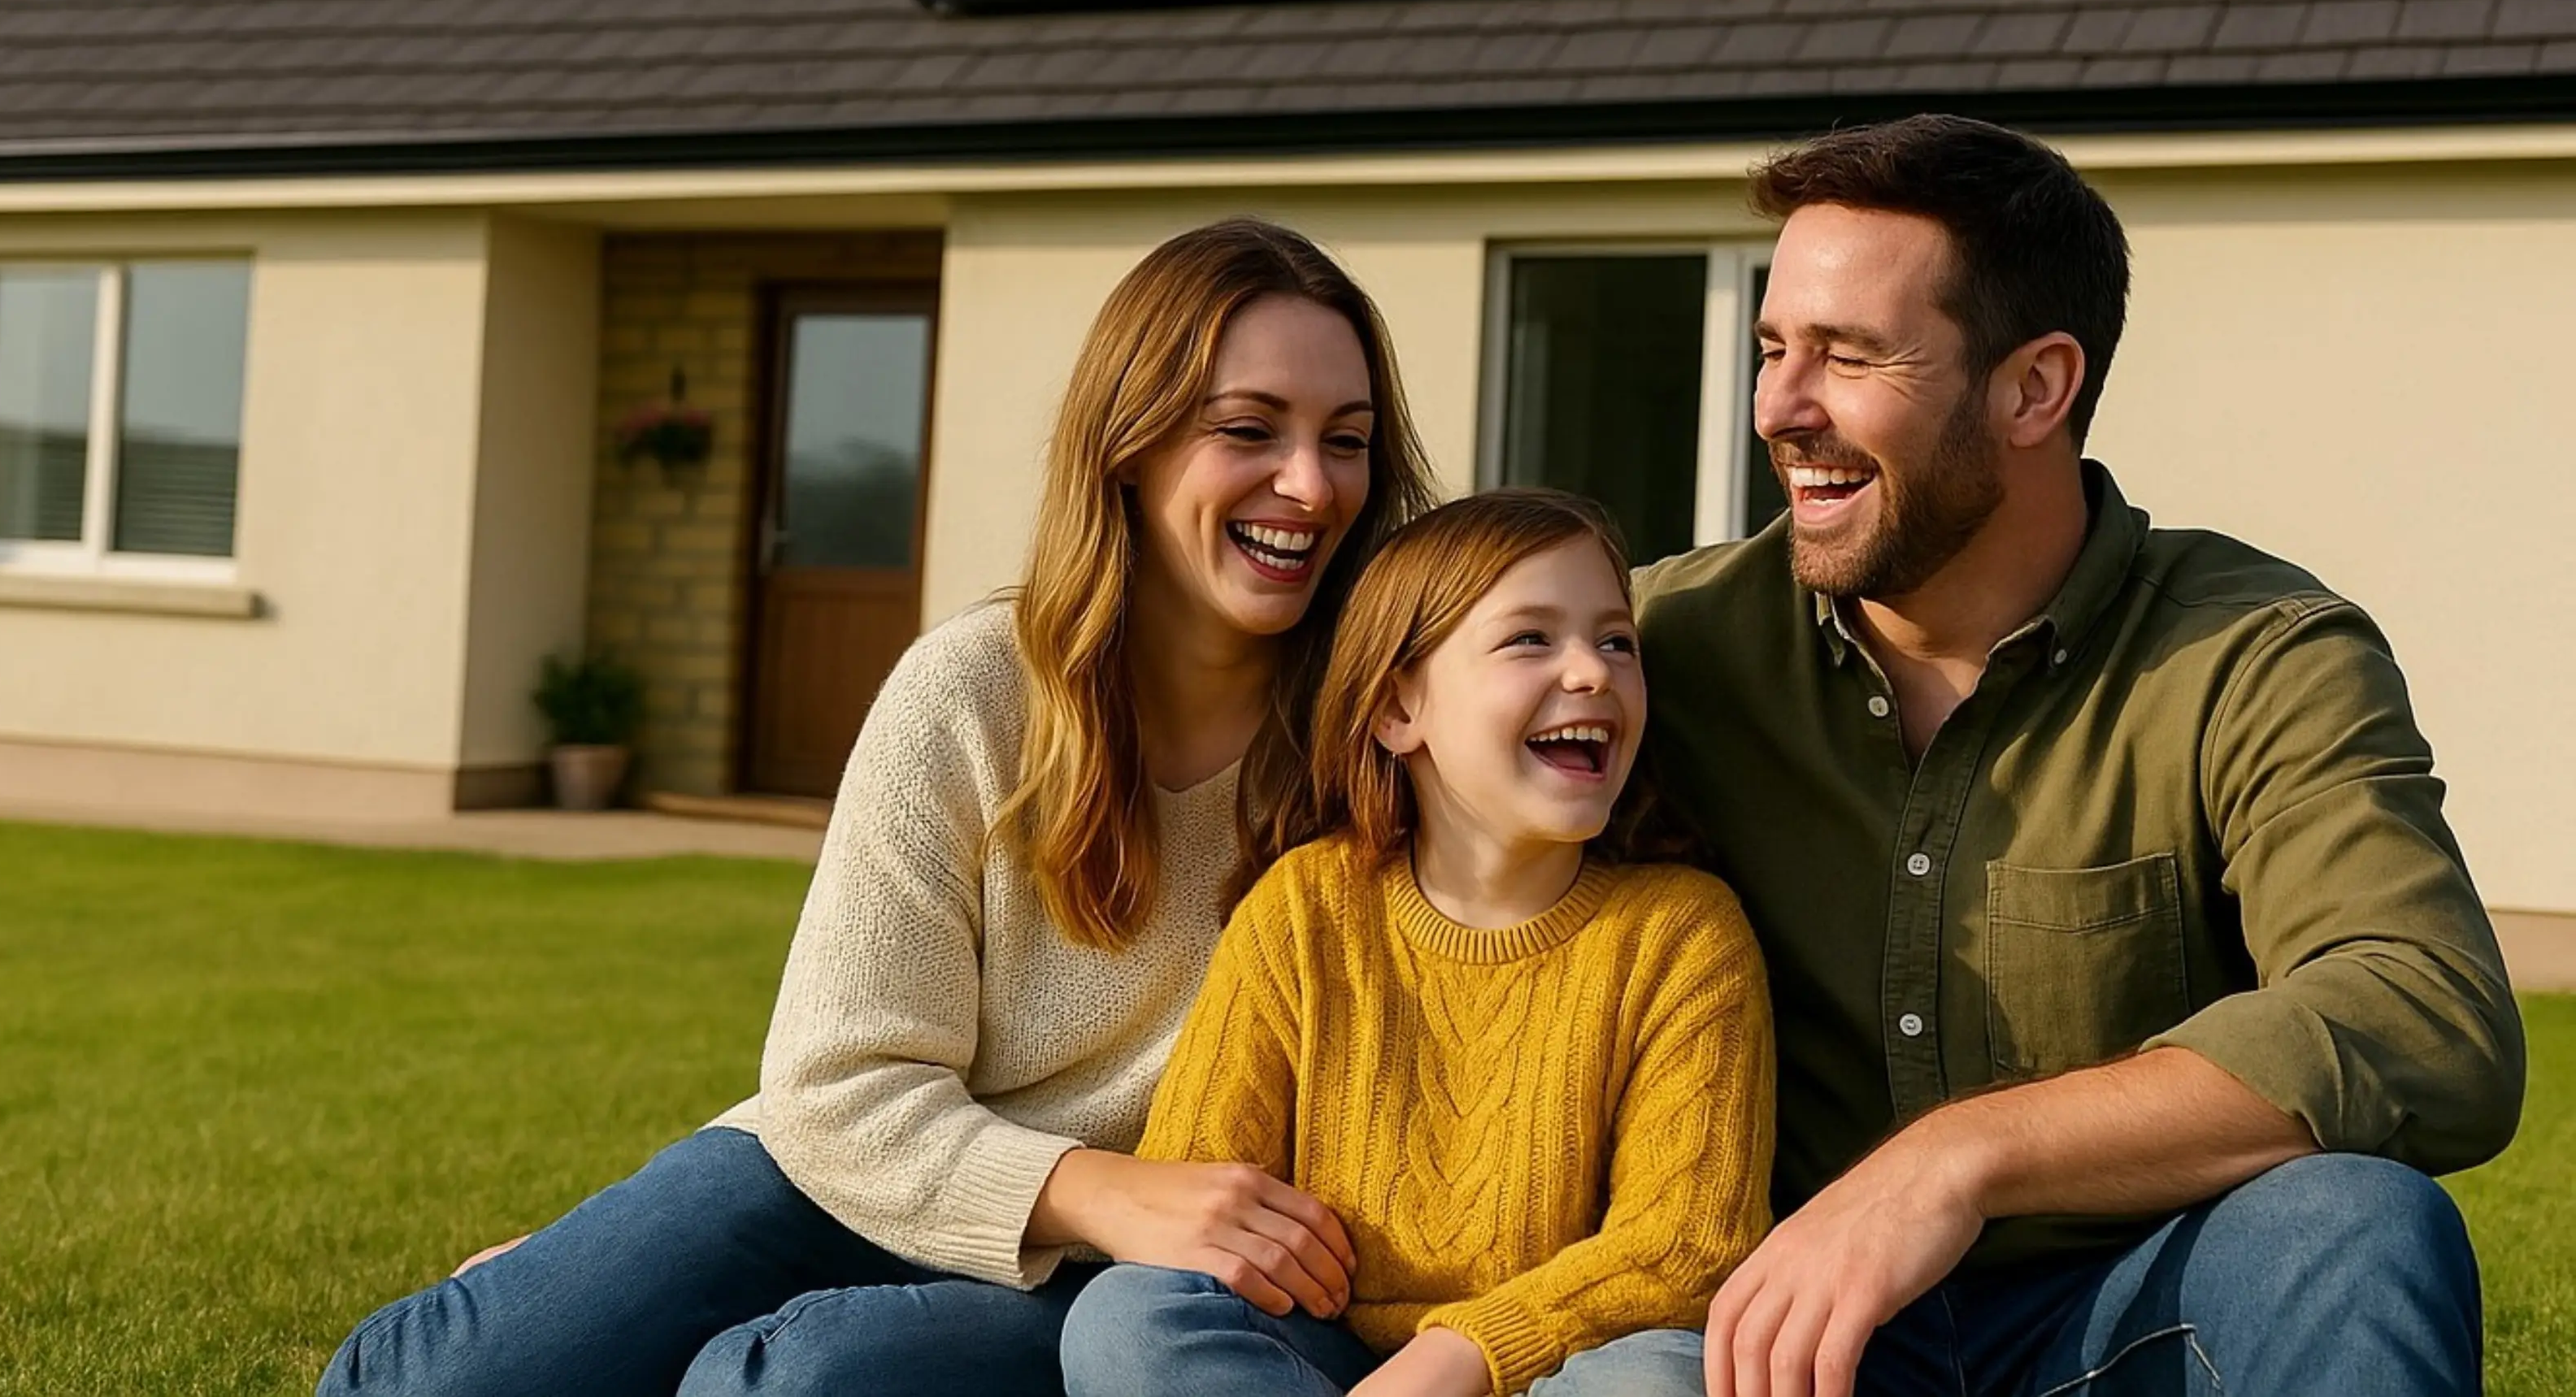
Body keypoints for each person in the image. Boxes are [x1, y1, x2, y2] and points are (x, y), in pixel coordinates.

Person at [319, 218, 1437, 1397]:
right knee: (432, 1382)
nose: (1310, 486)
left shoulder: (1393, 723)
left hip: (1158, 1267)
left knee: (787, 1382)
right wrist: (1089, 1188)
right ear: (1131, 444)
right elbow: (842, 1089)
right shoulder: (971, 691)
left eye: (1347, 441)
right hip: (862, 1167)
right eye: (1249, 430)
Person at [1624, 115, 2524, 1397]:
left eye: (1851, 355)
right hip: (1777, 1337)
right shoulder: (1652, 648)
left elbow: (2423, 1013)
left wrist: (1959, 1159)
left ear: (2035, 387)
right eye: (1774, 348)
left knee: (2358, 1228)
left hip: (2128, 1321)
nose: (1779, 407)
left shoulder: (2254, 653)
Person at [1062, 490, 1773, 1397]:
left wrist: (1462, 1356)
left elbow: (1683, 1248)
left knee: (1664, 1382)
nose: (1592, 672)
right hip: (1316, 1357)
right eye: (1530, 638)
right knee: (1128, 1321)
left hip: (1557, 1364)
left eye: (1616, 641)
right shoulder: (1306, 909)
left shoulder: (1681, 934)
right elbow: (1196, 1194)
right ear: (1399, 707)